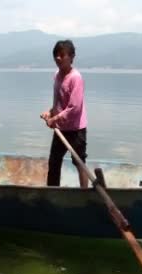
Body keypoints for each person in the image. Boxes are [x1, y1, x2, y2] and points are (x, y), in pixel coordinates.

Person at [40, 40, 88, 188]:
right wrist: (50, 112)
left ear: (72, 57)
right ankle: (52, 191)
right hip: (61, 129)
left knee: (79, 162)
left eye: (62, 55)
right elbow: (59, 103)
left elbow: (74, 107)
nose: (58, 58)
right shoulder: (57, 75)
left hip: (76, 129)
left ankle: (85, 194)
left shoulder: (76, 78)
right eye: (56, 55)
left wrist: (54, 119)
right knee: (54, 161)